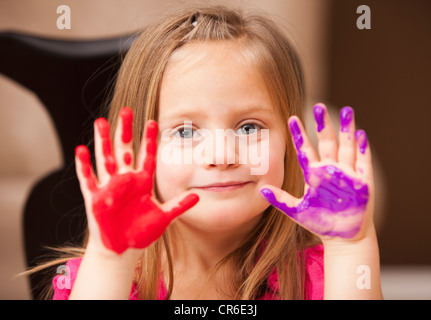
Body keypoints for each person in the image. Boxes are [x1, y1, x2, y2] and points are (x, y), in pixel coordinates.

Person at [45, 4, 382, 300]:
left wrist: (351, 247)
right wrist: (109, 261)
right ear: (137, 150)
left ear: (290, 144)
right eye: (186, 131)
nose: (221, 156)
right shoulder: (100, 279)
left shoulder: (322, 278)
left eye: (249, 128)